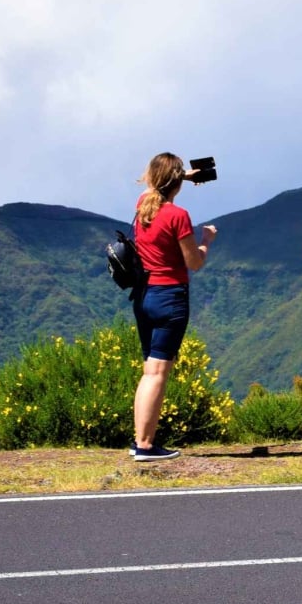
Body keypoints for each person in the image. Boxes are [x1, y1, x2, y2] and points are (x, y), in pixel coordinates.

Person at [129, 152, 217, 461]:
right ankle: (145, 446)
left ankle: (140, 441)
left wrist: (181, 176)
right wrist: (206, 240)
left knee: (149, 371)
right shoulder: (178, 216)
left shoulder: (143, 205)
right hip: (170, 298)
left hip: (144, 297)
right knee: (157, 373)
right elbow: (194, 262)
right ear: (176, 183)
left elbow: (153, 189)